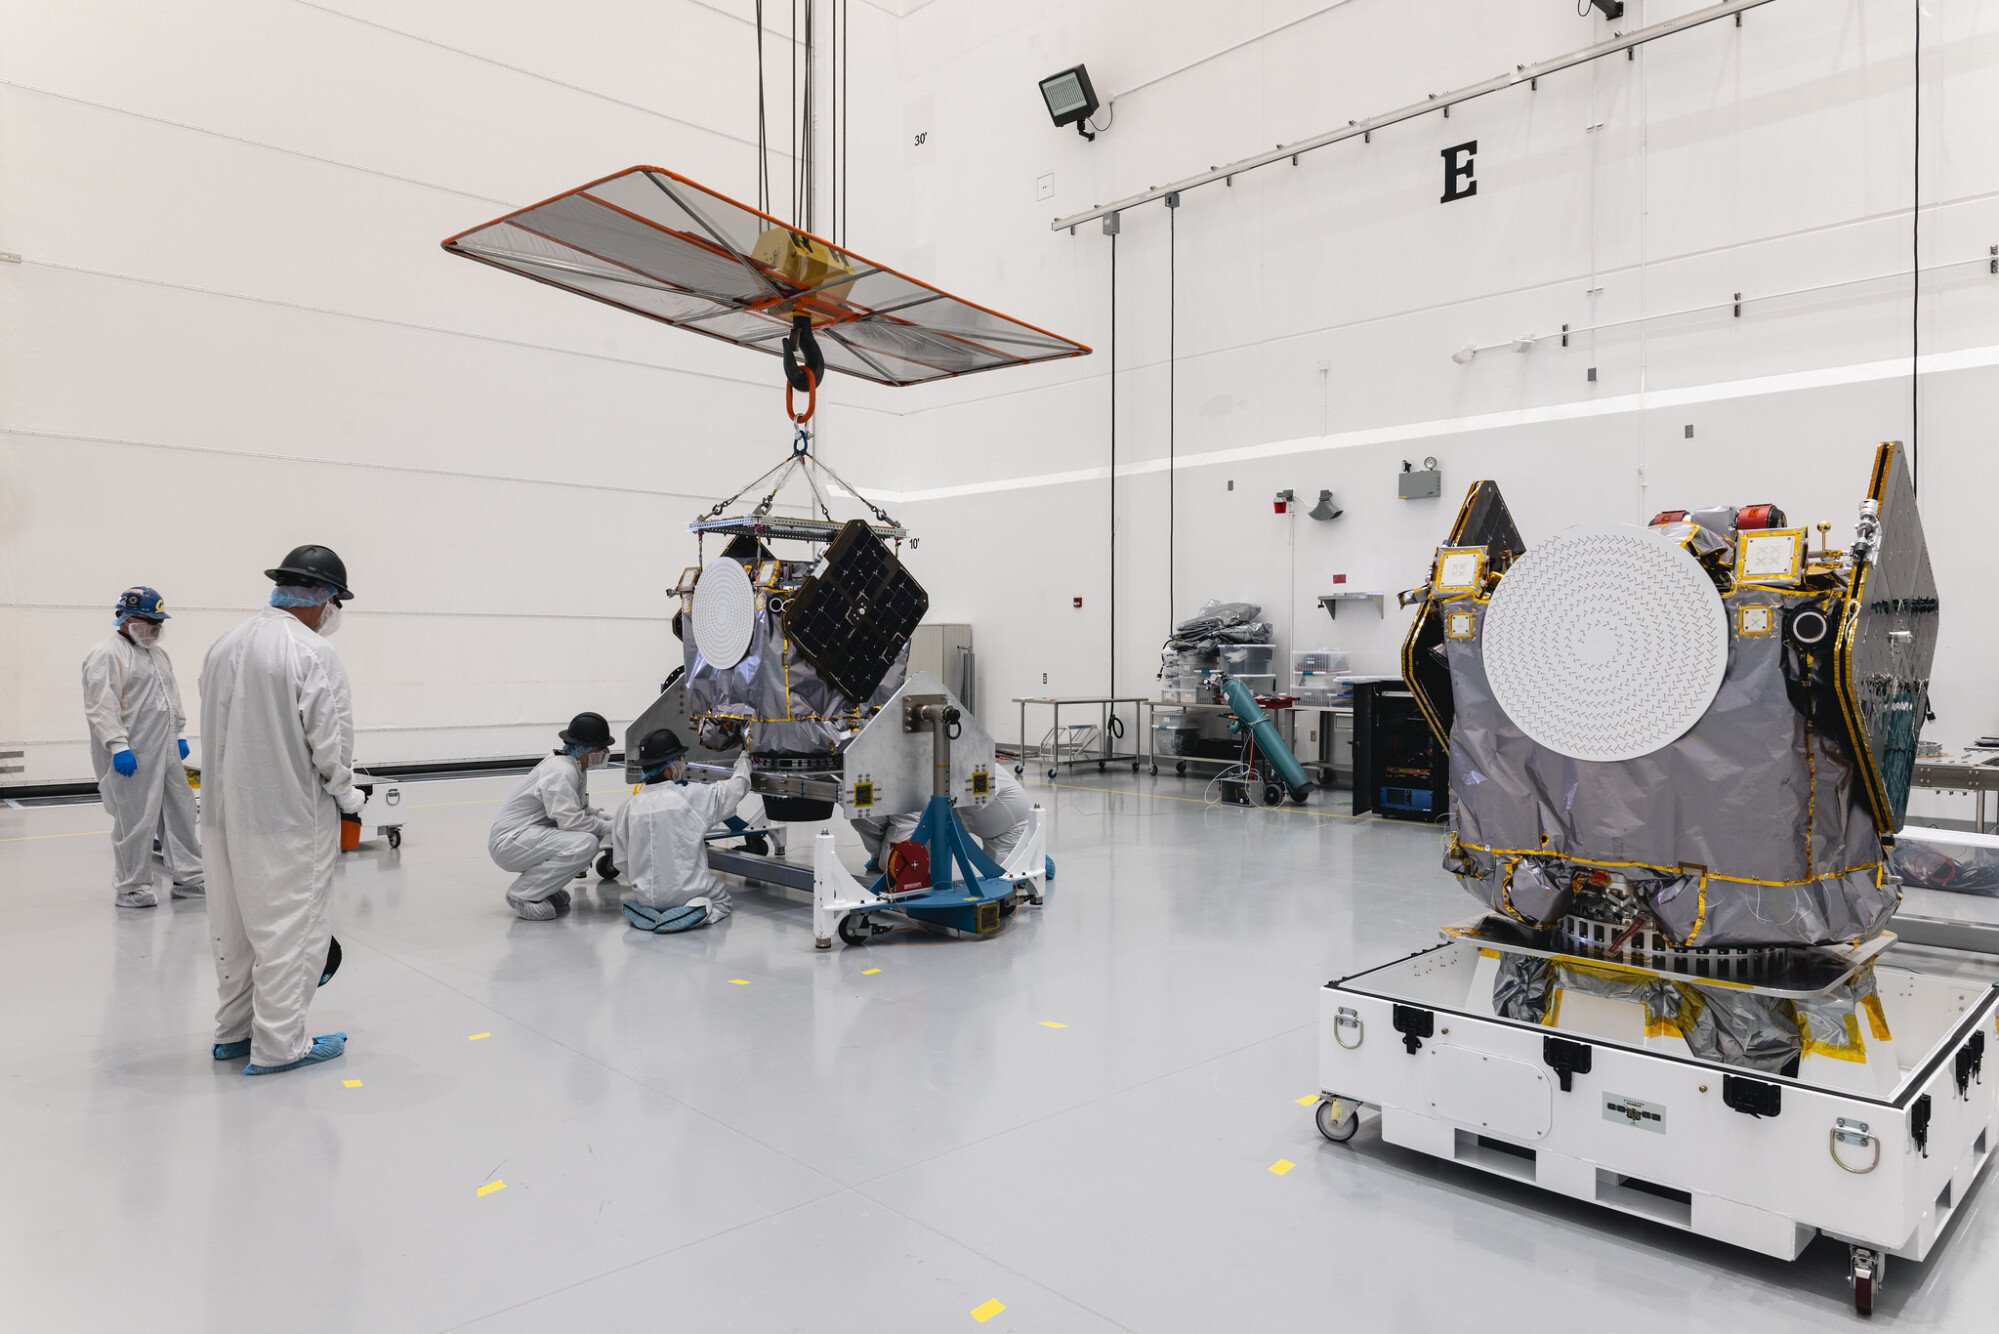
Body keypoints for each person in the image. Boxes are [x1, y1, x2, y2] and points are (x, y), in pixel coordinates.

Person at [200, 545, 361, 1075]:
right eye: (337, 601)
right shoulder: (312, 652)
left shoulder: (224, 645)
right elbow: (331, 745)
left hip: (224, 817)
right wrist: (348, 797)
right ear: (325, 599)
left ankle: (233, 1032)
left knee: (235, 926)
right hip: (289, 819)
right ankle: (280, 1046)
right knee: (290, 931)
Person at [81, 586, 204, 908]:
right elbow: (101, 705)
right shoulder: (107, 654)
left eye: (159, 622)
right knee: (136, 820)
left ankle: (189, 877)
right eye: (149, 621)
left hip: (164, 749)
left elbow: (171, 697)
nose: (155, 628)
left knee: (182, 810)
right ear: (125, 617)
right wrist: (118, 745)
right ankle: (132, 887)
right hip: (132, 752)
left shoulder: (157, 654)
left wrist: (178, 733)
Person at [614, 728, 753, 933]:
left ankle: (647, 912)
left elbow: (621, 860)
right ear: (669, 768)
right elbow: (735, 788)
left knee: (650, 896)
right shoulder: (691, 797)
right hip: (686, 894)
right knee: (721, 899)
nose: (682, 763)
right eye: (680, 758)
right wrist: (745, 758)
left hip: (644, 895)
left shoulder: (627, 807)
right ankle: (691, 912)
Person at [489, 712, 616, 920]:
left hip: (527, 835)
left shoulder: (574, 766)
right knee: (585, 843)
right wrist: (608, 827)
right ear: (587, 749)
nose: (605, 753)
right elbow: (570, 821)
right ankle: (523, 894)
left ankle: (544, 886)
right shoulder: (561, 770)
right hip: (511, 842)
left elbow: (579, 810)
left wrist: (609, 818)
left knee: (589, 833)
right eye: (601, 749)